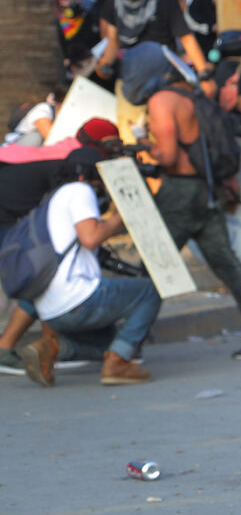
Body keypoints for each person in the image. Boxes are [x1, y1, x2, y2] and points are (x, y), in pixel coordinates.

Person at [146, 54, 241, 359]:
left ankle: (126, 343)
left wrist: (147, 146)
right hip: (206, 190)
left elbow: (167, 157)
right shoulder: (197, 101)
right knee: (227, 264)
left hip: (179, 191)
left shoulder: (162, 100)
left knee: (155, 263)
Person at [20, 154, 158, 387]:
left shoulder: (51, 200)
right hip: (77, 299)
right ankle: (117, 363)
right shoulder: (79, 190)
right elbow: (91, 238)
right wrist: (118, 217)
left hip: (49, 309)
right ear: (89, 174)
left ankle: (53, 348)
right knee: (150, 291)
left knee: (112, 342)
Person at [95, 0, 209, 80]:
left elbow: (186, 37)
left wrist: (202, 71)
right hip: (131, 73)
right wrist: (104, 65)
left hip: (163, 71)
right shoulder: (113, 2)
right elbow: (113, 42)